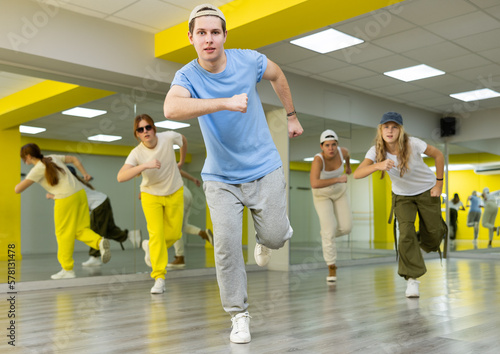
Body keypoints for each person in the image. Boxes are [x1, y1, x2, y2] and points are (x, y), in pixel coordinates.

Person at [163, 4, 303, 344]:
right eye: (201, 33)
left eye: (215, 32)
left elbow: (277, 74)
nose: (208, 39)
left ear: (224, 35)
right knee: (224, 246)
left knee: (274, 237)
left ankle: (267, 237)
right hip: (220, 177)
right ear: (191, 37)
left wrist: (292, 115)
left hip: (264, 166)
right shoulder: (187, 75)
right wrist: (224, 101)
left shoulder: (248, 60)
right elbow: (171, 108)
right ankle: (239, 315)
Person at [353, 112, 447, 299]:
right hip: (402, 196)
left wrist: (438, 184)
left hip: (427, 190)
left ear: (400, 130)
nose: (390, 130)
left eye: (394, 127)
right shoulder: (375, 151)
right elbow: (357, 173)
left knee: (435, 233)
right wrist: (376, 166)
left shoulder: (413, 143)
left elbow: (438, 155)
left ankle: (414, 244)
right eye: (386, 127)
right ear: (380, 130)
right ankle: (412, 280)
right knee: (405, 233)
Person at [15, 143, 111, 279]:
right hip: (80, 194)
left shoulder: (37, 169)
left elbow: (18, 189)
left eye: (24, 158)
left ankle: (67, 269)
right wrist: (84, 173)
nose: (25, 162)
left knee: (63, 233)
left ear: (29, 156)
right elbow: (73, 159)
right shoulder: (52, 158)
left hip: (65, 198)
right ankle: (99, 242)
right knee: (80, 229)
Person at [117, 114, 187, 294]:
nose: (145, 131)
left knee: (174, 233)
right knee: (156, 234)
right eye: (140, 129)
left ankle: (149, 246)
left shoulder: (168, 137)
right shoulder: (137, 153)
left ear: (154, 128)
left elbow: (183, 140)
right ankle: (159, 278)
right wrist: (144, 166)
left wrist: (181, 161)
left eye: (148, 127)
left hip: (174, 190)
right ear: (137, 134)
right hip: (150, 194)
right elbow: (121, 177)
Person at [46, 166, 142, 267]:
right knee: (108, 229)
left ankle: (94, 257)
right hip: (102, 202)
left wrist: (51, 196)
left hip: (99, 205)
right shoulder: (76, 182)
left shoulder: (72, 185)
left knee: (96, 231)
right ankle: (131, 235)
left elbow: (66, 199)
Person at [310, 129, 352, 283]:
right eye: (327, 145)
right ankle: (332, 267)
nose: (331, 148)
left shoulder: (343, 152)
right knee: (329, 232)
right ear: (322, 146)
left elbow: (347, 156)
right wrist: (337, 179)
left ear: (337, 145)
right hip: (322, 195)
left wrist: (348, 167)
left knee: (346, 228)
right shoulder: (318, 160)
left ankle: (327, 235)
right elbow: (314, 183)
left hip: (339, 193)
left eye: (333, 145)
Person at [168, 170, 214, 269]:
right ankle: (203, 233)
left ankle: (180, 257)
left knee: (175, 228)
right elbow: (179, 170)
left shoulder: (158, 163)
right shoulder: (167, 160)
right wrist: (193, 179)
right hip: (186, 192)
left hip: (178, 194)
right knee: (183, 225)